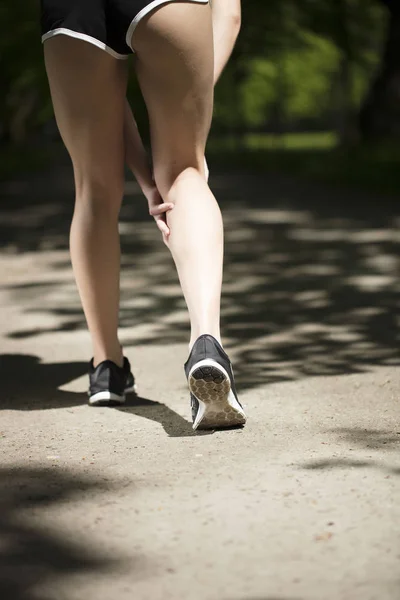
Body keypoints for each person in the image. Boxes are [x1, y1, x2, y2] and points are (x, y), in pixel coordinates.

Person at [41, 0, 246, 430]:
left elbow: (109, 105)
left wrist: (143, 176)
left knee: (93, 189)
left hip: (72, 13)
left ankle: (106, 365)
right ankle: (206, 341)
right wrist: (186, 110)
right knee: (185, 171)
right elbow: (229, 15)